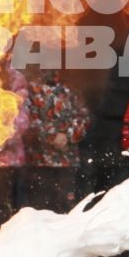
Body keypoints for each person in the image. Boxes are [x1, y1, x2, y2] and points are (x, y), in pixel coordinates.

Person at [17, 59, 94, 212]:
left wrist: (68, 136)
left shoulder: (69, 90)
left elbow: (83, 117)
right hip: (39, 161)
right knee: (39, 206)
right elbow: (28, 121)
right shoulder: (31, 91)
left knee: (65, 205)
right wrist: (52, 136)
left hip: (66, 160)